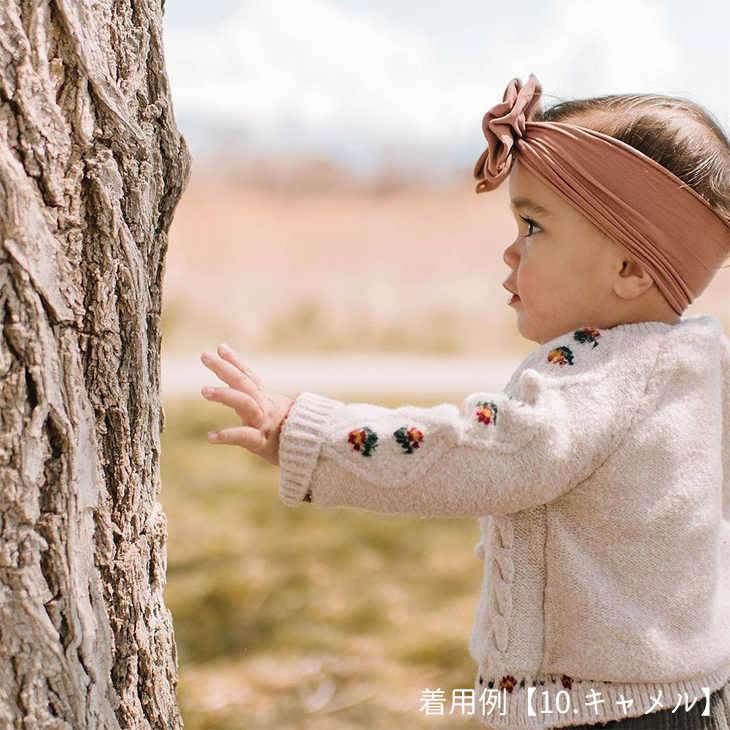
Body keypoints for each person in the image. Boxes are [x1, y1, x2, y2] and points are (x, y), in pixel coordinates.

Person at [199, 74, 730, 729]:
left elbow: (478, 452)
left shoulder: (593, 376)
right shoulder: (697, 364)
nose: (509, 250)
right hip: (689, 693)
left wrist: (305, 432)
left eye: (533, 225)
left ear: (631, 271)